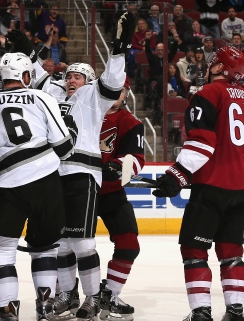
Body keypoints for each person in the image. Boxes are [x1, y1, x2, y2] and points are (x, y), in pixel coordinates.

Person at [28, 11, 133, 321]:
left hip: (83, 175)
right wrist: (31, 52)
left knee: (83, 244)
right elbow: (32, 80)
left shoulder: (92, 96)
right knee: (60, 246)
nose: (71, 79)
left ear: (87, 81)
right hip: (52, 176)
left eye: (78, 75)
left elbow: (113, 82)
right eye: (69, 75)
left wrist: (117, 51)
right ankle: (65, 296)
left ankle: (91, 299)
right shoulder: (53, 95)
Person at [152, 46, 244, 321]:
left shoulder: (206, 94)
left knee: (194, 250)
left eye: (212, 64)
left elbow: (202, 145)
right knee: (231, 251)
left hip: (212, 186)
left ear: (218, 68)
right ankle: (235, 312)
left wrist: (176, 175)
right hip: (243, 187)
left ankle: (201, 313)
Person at [0, 50, 76, 320]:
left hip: (7, 186)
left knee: (0, 249)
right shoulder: (42, 97)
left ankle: (7, 311)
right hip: (46, 183)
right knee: (45, 248)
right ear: (27, 76)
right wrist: (71, 131)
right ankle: (45, 307)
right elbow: (64, 149)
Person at [97, 80, 145, 321]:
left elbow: (136, 158)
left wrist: (117, 165)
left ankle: (110, 294)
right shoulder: (85, 112)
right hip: (79, 190)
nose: (116, 94)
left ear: (126, 93)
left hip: (111, 192)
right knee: (72, 247)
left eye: (121, 90)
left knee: (129, 244)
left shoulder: (130, 122)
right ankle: (69, 293)